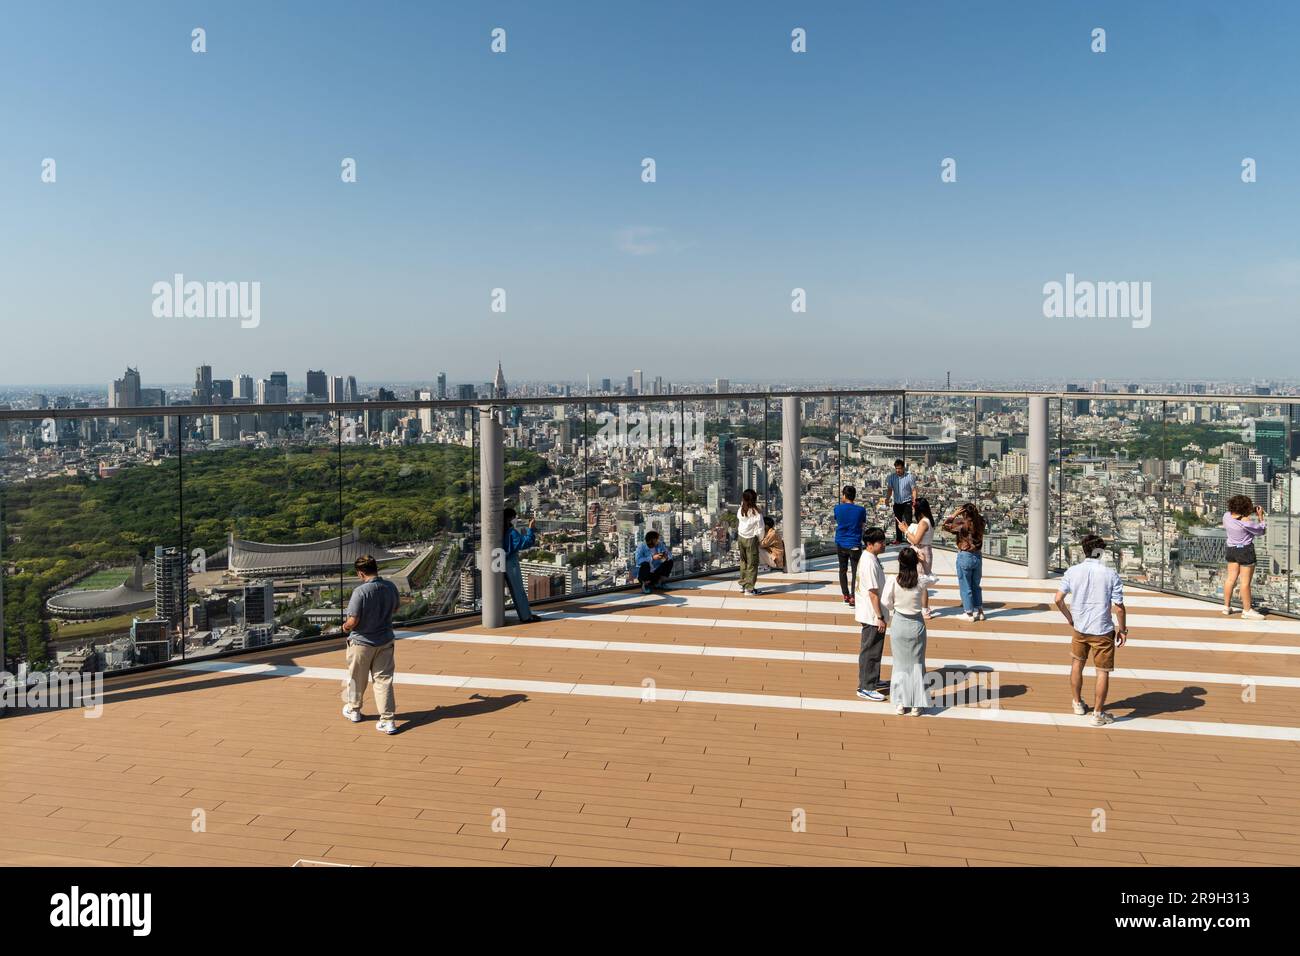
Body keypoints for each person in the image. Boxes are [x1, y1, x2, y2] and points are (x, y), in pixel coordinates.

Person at [1053, 534, 1128, 727]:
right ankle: (1097, 714)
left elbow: (1057, 599)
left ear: (1084, 550)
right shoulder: (1110, 574)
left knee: (1077, 664)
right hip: (1102, 629)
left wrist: (1070, 618)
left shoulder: (1072, 571)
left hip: (1080, 628)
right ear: (1101, 552)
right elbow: (1118, 607)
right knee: (1102, 671)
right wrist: (1123, 630)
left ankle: (1077, 703)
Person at [340, 554, 401, 734]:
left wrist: (343, 627)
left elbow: (353, 620)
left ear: (360, 573)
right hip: (385, 640)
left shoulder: (360, 592)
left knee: (356, 679)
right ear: (376, 568)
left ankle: (354, 710)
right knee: (383, 681)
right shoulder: (390, 586)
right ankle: (388, 720)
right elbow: (396, 608)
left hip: (361, 643)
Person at [882, 547, 929, 716]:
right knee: (917, 664)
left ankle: (900, 703)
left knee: (900, 664)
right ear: (915, 562)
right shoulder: (921, 580)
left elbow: (885, 602)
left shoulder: (893, 580)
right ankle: (916, 705)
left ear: (899, 562)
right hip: (916, 623)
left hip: (899, 622)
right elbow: (933, 578)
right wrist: (923, 562)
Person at [853, 527, 890, 701]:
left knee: (874, 648)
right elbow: (873, 592)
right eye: (880, 542)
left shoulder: (869, 557)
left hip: (870, 611)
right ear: (869, 544)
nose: (884, 544)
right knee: (871, 649)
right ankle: (866, 686)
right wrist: (880, 617)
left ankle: (872, 679)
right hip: (872, 614)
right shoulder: (869, 562)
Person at [1223, 494, 1267, 620]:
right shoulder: (1246, 523)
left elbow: (1236, 516)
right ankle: (1247, 610)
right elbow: (1261, 531)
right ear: (1245, 509)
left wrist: (1248, 513)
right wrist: (1260, 517)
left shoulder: (1226, 516)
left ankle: (1226, 607)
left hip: (1231, 549)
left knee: (1230, 579)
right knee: (1245, 582)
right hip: (1245, 551)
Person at [942, 502, 986, 621]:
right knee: (976, 585)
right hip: (977, 556)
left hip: (965, 556)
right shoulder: (981, 522)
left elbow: (945, 526)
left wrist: (954, 514)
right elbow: (979, 517)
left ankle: (969, 613)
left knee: (965, 585)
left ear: (964, 513)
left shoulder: (962, 524)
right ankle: (980, 611)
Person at [503, 507, 543, 623]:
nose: (516, 520)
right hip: (511, 562)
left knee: (516, 590)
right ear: (510, 518)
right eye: (515, 518)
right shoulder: (511, 532)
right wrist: (530, 529)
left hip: (503, 561)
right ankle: (525, 616)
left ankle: (526, 615)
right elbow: (526, 543)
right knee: (518, 590)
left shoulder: (502, 531)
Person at [898, 496, 936, 619]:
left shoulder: (924, 522)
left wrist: (905, 530)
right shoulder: (929, 520)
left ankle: (924, 609)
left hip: (921, 552)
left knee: (921, 581)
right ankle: (924, 608)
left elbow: (915, 540)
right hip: (926, 550)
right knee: (921, 580)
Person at [833, 485, 867, 606]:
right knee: (855, 572)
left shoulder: (837, 509)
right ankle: (853, 596)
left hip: (841, 543)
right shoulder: (861, 510)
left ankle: (845, 595)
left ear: (844, 495)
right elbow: (862, 525)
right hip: (855, 544)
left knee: (842, 570)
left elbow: (838, 520)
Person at [736, 488, 764, 594]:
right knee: (752, 564)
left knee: (743, 561)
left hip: (740, 537)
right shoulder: (757, 513)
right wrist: (760, 540)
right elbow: (760, 529)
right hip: (751, 539)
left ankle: (743, 585)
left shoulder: (741, 509)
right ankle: (749, 588)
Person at [883, 459, 917, 545]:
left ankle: (910, 539)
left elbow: (913, 490)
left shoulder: (909, 477)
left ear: (903, 468)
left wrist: (914, 501)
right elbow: (890, 490)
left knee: (909, 521)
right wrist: (887, 499)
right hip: (897, 503)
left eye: (900, 468)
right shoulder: (892, 477)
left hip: (907, 502)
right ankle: (898, 539)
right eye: (896, 468)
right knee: (898, 521)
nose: (898, 470)